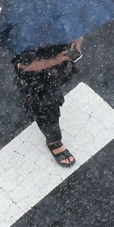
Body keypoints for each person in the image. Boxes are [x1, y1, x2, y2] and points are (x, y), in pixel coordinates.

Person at [13, 38, 82, 166]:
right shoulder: (26, 39)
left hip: (58, 68)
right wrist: (55, 60)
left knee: (49, 102)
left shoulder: (61, 20)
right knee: (47, 110)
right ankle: (54, 141)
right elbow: (24, 66)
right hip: (38, 81)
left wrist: (77, 41)